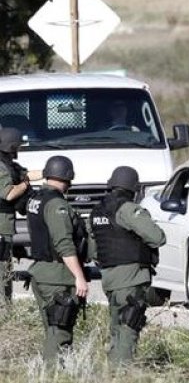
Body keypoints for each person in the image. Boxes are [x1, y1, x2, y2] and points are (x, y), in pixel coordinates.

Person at [89, 166, 166, 366]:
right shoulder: (129, 209)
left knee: (117, 326)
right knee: (129, 324)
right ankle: (122, 371)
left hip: (109, 277)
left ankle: (113, 368)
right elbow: (157, 237)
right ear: (134, 188)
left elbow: (92, 250)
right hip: (131, 276)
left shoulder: (97, 211)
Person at [26, 155, 89, 365]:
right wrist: (79, 276)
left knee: (52, 329)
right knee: (59, 334)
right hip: (57, 277)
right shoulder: (56, 205)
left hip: (41, 272)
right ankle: (54, 374)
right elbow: (64, 244)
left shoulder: (36, 199)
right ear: (68, 177)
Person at [0, 127, 40, 304]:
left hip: (5, 224)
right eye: (18, 146)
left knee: (6, 266)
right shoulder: (1, 167)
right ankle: (4, 307)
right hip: (1, 225)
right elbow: (8, 194)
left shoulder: (8, 164)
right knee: (3, 269)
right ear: (11, 146)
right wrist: (25, 185)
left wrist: (50, 172)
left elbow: (26, 174)